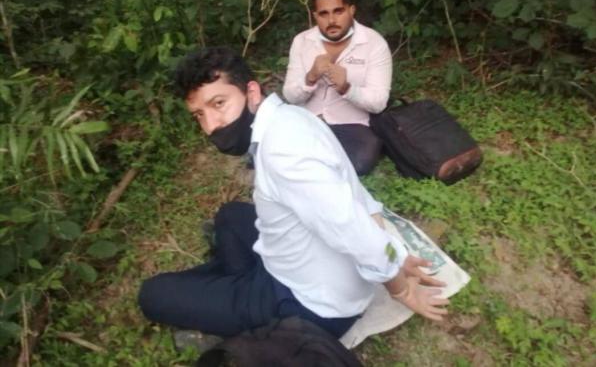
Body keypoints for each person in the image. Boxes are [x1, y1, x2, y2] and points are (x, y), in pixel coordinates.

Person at [138, 47, 448, 342]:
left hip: (306, 303)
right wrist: (396, 252)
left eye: (218, 104)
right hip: (299, 261)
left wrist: (399, 286)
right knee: (229, 216)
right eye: (199, 115)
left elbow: (355, 230)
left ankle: (239, 305)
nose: (210, 126)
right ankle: (230, 291)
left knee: (153, 295)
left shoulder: (284, 154)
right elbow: (354, 191)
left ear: (251, 92)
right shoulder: (291, 117)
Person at [283, 0, 392, 175]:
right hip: (308, 121)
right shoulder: (302, 41)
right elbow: (290, 96)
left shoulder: (374, 43)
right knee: (270, 151)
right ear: (315, 15)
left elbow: (379, 103)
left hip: (352, 125)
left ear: (351, 10)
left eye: (338, 11)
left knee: (360, 162)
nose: (332, 21)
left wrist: (347, 88)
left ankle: (311, 164)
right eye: (323, 14)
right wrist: (310, 77)